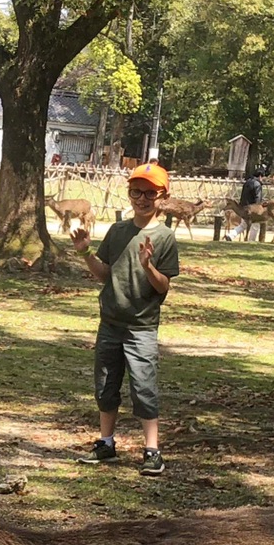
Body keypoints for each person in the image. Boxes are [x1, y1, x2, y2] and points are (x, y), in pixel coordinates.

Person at [74, 162, 179, 477]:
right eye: (137, 191)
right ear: (129, 193)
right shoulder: (118, 231)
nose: (142, 198)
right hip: (110, 323)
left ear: (163, 196)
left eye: (150, 193)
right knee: (105, 386)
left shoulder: (164, 237)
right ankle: (106, 443)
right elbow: (105, 274)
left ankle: (152, 451)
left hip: (141, 328)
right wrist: (84, 253)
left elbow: (164, 287)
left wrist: (148, 267)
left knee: (143, 388)